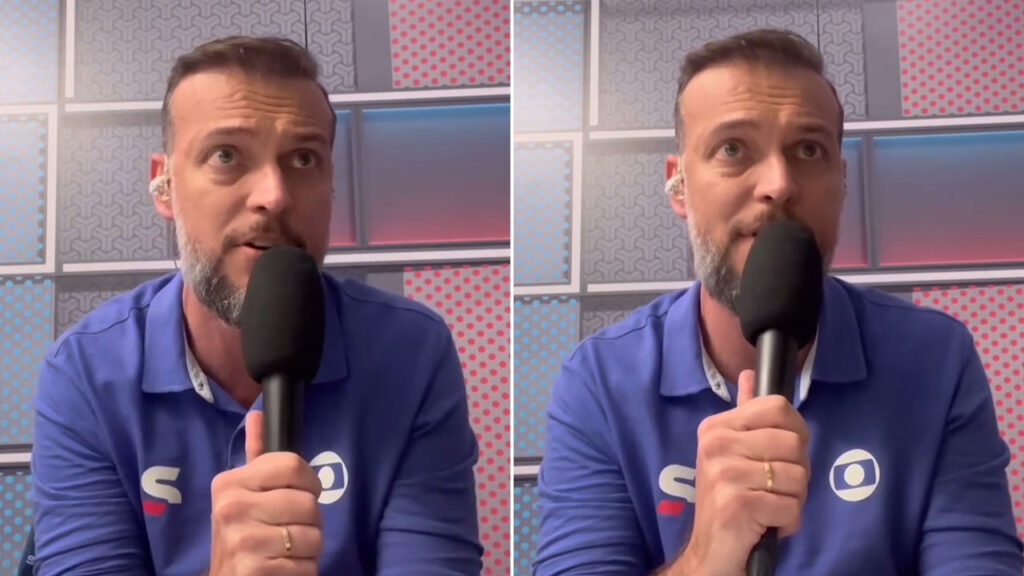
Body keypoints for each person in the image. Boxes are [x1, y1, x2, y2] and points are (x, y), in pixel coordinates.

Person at [532, 29, 1023, 575]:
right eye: (732, 149)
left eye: (808, 150)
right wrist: (707, 556)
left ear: (841, 181)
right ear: (679, 186)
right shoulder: (600, 380)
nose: (779, 184)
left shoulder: (935, 359)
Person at [31, 36, 483, 575]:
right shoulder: (86, 372)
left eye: (303, 158)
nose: (274, 195)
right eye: (226, 155)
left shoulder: (411, 352)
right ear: (164, 185)